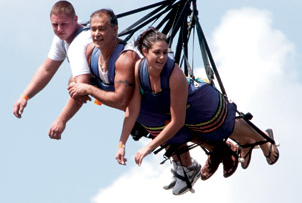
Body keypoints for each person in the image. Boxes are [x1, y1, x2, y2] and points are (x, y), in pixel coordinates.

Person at [114, 27, 280, 195]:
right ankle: (246, 143)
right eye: (157, 52)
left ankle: (264, 139)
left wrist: (148, 147)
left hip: (200, 100)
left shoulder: (174, 74)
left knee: (224, 125)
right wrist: (122, 144)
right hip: (187, 109)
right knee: (211, 132)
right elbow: (133, 110)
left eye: (165, 52)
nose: (162, 57)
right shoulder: (138, 69)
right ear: (144, 52)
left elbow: (177, 122)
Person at [13, 0, 92, 139]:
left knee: (73, 82)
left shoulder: (80, 42)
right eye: (55, 25)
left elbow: (81, 85)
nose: (59, 29)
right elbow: (46, 70)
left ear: (75, 19)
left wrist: (62, 120)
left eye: (64, 24)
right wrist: (24, 97)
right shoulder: (61, 39)